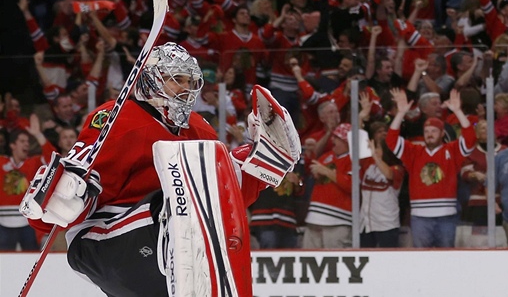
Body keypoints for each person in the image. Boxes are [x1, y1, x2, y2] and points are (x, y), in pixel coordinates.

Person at [20, 42, 300, 296]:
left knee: (204, 182)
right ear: (152, 79)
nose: (186, 88)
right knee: (181, 199)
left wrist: (255, 165)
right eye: (177, 79)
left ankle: (259, 162)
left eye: (190, 81)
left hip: (153, 262)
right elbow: (74, 187)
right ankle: (183, 247)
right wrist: (62, 200)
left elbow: (220, 195)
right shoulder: (118, 117)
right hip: (103, 243)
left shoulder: (198, 128)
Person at [386, 88, 476, 248]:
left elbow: (470, 139)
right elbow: (391, 141)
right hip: (420, 217)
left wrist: (458, 112)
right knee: (422, 261)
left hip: (447, 216)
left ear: (442, 134)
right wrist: (400, 114)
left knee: (446, 261)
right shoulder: (414, 152)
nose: (429, 134)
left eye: (434, 131)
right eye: (426, 131)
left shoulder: (452, 150)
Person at [0, 115, 55, 251]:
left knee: (32, 258)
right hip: (3, 220)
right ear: (12, 145)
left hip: (28, 221)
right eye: (22, 141)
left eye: (28, 142)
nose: (26, 144)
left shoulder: (34, 163)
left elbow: (53, 159)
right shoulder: (1, 162)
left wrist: (38, 135)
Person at [303, 123, 353, 249]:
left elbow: (352, 186)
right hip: (314, 218)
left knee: (337, 264)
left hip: (338, 220)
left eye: (337, 138)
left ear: (347, 141)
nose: (333, 140)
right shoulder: (327, 156)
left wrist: (326, 172)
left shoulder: (353, 159)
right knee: (309, 262)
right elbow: (310, 169)